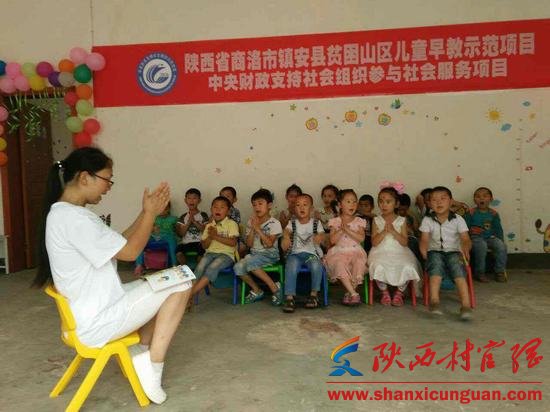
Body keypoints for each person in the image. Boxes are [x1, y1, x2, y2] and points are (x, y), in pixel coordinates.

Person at [33, 147, 190, 404]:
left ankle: (140, 350)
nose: (108, 187)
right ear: (85, 177)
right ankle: (152, 364)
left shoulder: (64, 214)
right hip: (99, 320)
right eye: (107, 179)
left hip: (93, 310)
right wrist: (151, 214)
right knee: (181, 284)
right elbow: (130, 252)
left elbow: (118, 243)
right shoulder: (75, 219)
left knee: (170, 278)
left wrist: (145, 213)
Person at [419, 186, 473, 320]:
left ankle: (465, 305)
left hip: (454, 251)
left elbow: (465, 238)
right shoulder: (427, 220)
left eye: (443, 198)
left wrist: (466, 247)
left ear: (451, 201)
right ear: (429, 203)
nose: (439, 202)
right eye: (434, 200)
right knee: (435, 265)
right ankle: (434, 301)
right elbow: (424, 239)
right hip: (434, 251)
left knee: (457, 268)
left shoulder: (458, 219)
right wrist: (423, 249)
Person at [369, 187, 421, 306]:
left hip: (399, 251)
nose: (384, 205)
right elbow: (374, 243)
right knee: (377, 265)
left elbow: (404, 242)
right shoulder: (376, 220)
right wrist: (383, 232)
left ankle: (399, 292)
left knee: (408, 266)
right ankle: (384, 292)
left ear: (396, 204)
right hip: (380, 250)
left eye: (388, 202)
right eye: (381, 201)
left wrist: (393, 232)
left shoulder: (402, 220)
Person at [234, 189, 283, 305]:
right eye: (254, 205)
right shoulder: (251, 222)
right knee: (237, 267)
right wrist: (252, 228)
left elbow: (269, 244)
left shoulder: (274, 223)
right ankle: (257, 290)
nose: (257, 207)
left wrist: (258, 229)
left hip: (269, 254)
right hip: (254, 254)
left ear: (269, 205)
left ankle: (274, 287)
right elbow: (249, 244)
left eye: (260, 204)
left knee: (250, 263)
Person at [280, 194, 325, 312]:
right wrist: (286, 237)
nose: (301, 208)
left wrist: (319, 237)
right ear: (294, 209)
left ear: (311, 208)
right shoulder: (292, 223)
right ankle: (290, 297)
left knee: (316, 265)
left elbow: (322, 234)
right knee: (291, 266)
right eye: (298, 205)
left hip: (311, 254)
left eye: (305, 205)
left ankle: (314, 295)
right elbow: (286, 231)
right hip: (296, 254)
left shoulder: (316, 223)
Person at [325, 189, 368, 306]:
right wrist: (341, 230)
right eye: (348, 202)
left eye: (354, 202)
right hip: (339, 251)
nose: (352, 205)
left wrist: (348, 230)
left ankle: (349, 293)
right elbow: (333, 240)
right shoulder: (335, 221)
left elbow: (361, 238)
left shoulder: (359, 221)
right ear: (340, 205)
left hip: (355, 251)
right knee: (339, 263)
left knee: (359, 263)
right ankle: (354, 294)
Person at [191, 196, 240, 296]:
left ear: (228, 211)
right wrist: (210, 236)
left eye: (222, 207)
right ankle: (189, 294)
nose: (218, 209)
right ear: (211, 210)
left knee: (212, 267)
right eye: (215, 207)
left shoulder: (232, 224)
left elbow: (233, 243)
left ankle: (190, 294)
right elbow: (204, 246)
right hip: (210, 254)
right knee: (199, 267)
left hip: (226, 255)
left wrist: (215, 236)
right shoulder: (209, 226)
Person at [464, 187, 507, 282]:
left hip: (489, 237)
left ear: (491, 199)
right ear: (474, 200)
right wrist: (466, 241)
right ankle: (480, 273)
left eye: (485, 196)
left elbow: (498, 229)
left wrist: (501, 240)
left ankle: (499, 271)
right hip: (475, 238)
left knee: (501, 246)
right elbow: (464, 228)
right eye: (478, 196)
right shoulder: (471, 213)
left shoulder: (493, 214)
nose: (481, 198)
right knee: (482, 246)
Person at [134, 202, 178, 275]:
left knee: (172, 239)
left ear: (168, 209)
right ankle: (139, 265)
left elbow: (177, 230)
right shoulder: (153, 218)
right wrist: (152, 229)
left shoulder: (173, 219)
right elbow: (146, 229)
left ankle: (174, 265)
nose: (161, 211)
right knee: (141, 241)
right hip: (153, 238)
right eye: (159, 209)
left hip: (166, 240)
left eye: (164, 209)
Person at [175, 188, 208, 266]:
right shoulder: (183, 216)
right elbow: (181, 234)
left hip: (199, 242)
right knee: (179, 252)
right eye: (189, 198)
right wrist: (189, 222)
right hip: (186, 243)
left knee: (201, 254)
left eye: (194, 198)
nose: (191, 200)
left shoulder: (203, 215)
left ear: (199, 200)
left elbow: (205, 230)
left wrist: (195, 222)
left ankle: (199, 270)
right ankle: (185, 269)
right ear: (185, 200)